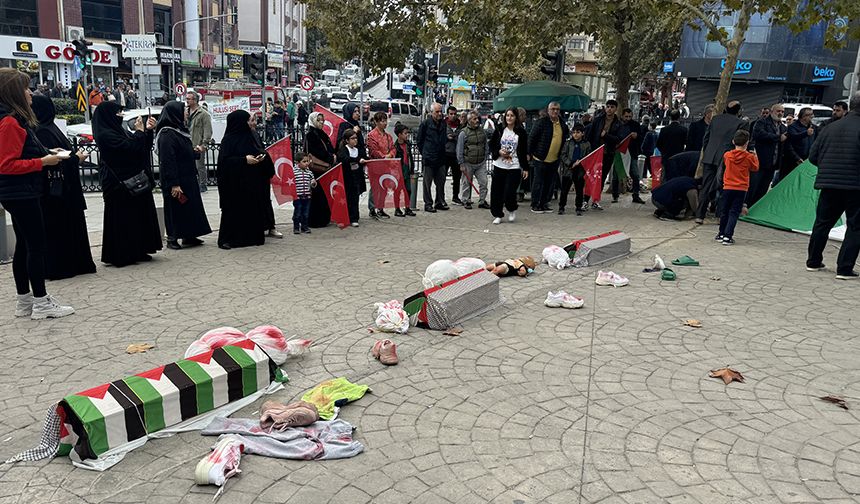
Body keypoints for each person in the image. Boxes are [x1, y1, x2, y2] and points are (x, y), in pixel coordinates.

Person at [0, 69, 75, 319]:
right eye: (25, 88)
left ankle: (25, 301)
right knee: (36, 245)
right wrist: (43, 162)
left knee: (25, 245)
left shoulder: (13, 120)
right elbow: (7, 165)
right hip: (20, 192)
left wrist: (46, 154)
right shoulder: (10, 122)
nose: (30, 92)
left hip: (18, 192)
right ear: (13, 92)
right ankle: (41, 302)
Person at [30, 95, 96, 280]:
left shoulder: (48, 128)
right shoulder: (42, 131)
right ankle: (60, 267)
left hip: (64, 191)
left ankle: (74, 263)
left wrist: (73, 157)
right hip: (55, 193)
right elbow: (52, 162)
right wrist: (76, 158)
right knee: (58, 231)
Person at [93, 100, 163, 267]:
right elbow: (128, 149)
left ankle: (139, 249)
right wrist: (139, 133)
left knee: (137, 217)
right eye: (118, 113)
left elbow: (139, 148)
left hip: (133, 182)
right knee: (122, 219)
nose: (121, 116)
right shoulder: (105, 134)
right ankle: (122, 254)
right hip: (118, 185)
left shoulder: (120, 130)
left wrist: (147, 132)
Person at [805, 92, 860, 280]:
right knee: (855, 226)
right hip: (856, 186)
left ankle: (813, 261)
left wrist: (828, 167)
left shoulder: (830, 128)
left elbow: (813, 156)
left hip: (828, 183)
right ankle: (844, 268)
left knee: (822, 222)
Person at [155, 101, 212, 250]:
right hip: (176, 179)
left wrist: (195, 151)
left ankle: (189, 235)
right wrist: (174, 183)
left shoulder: (179, 130)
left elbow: (183, 152)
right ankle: (172, 237)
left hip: (187, 177)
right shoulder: (167, 134)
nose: (187, 113)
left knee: (189, 206)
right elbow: (168, 160)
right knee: (175, 208)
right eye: (184, 110)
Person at [216, 110, 274, 248]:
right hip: (234, 185)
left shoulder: (250, 136)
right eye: (248, 120)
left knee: (252, 210)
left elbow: (258, 150)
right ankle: (228, 240)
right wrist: (244, 160)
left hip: (251, 183)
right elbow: (224, 163)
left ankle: (252, 237)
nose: (250, 123)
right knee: (233, 212)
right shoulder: (228, 140)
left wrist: (261, 158)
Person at [696, 100, 749, 223]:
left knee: (706, 186)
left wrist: (708, 151)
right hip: (727, 158)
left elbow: (706, 138)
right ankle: (720, 215)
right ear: (739, 111)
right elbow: (741, 143)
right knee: (725, 186)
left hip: (710, 156)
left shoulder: (715, 119)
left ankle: (700, 215)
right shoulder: (741, 123)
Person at [717, 129, 759, 245]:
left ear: (733, 141)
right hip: (741, 188)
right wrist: (755, 155)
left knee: (724, 210)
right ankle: (728, 236)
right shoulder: (749, 157)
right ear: (747, 143)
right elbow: (755, 168)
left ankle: (721, 233)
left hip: (727, 186)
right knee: (734, 212)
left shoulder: (727, 155)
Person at [489, 107, 529, 224]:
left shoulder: (521, 132)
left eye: (512, 115)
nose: (509, 118)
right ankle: (498, 214)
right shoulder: (500, 129)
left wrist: (525, 168)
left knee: (509, 192)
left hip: (514, 166)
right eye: (507, 115)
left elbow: (524, 151)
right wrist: (499, 152)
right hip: (499, 164)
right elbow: (491, 145)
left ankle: (511, 209)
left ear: (516, 117)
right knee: (497, 191)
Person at [528, 101, 569, 213]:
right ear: (548, 110)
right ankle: (535, 204)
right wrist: (529, 153)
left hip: (554, 159)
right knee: (538, 182)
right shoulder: (541, 122)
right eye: (553, 109)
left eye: (557, 109)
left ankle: (544, 203)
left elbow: (565, 139)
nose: (555, 111)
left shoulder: (562, 124)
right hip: (540, 158)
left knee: (549, 183)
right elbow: (532, 138)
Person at [584, 99, 621, 210]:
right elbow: (590, 135)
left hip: (608, 153)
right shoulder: (598, 120)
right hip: (596, 152)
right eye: (608, 106)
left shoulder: (618, 123)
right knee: (591, 176)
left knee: (602, 177)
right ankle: (585, 200)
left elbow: (618, 139)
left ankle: (596, 200)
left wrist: (606, 136)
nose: (609, 109)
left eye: (612, 107)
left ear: (615, 109)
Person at [747, 103, 786, 206]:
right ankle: (747, 205)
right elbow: (758, 134)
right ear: (772, 111)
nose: (780, 113)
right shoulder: (762, 122)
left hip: (773, 163)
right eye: (778, 111)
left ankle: (756, 206)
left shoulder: (782, 127)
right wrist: (777, 137)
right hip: (761, 161)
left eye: (782, 112)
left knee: (764, 187)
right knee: (754, 186)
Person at [305, 111, 335, 227]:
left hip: (326, 169)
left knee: (324, 195)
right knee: (316, 196)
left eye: (322, 120)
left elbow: (329, 147)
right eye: (318, 120)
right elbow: (315, 151)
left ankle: (325, 218)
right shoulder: (311, 135)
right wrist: (329, 156)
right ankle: (315, 220)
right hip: (316, 171)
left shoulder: (322, 133)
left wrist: (332, 155)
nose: (321, 122)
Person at [417, 102, 448, 212]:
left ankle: (439, 201)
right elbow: (419, 141)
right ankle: (428, 203)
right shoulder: (425, 124)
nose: (440, 114)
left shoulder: (443, 124)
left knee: (441, 182)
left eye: (441, 111)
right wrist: (425, 153)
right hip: (429, 158)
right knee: (427, 183)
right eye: (437, 112)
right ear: (431, 113)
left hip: (441, 157)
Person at [456, 109, 490, 210]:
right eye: (474, 119)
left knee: (484, 182)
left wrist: (485, 157)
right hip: (468, 163)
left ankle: (482, 201)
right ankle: (465, 200)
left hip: (480, 163)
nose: (477, 121)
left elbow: (486, 145)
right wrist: (461, 163)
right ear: (469, 120)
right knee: (466, 183)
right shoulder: (463, 133)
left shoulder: (482, 132)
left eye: (477, 118)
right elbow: (459, 149)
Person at [365, 111, 395, 217]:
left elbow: (392, 148)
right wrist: (383, 156)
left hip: (386, 165)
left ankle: (381, 208)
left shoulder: (388, 136)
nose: (385, 123)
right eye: (382, 121)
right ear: (377, 122)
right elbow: (373, 150)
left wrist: (390, 155)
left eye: (385, 120)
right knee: (375, 187)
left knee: (384, 187)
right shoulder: (371, 135)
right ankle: (372, 208)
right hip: (375, 165)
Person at [558, 123, 591, 216]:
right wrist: (570, 163)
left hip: (580, 170)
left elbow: (588, 156)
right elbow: (563, 155)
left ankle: (578, 207)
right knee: (564, 190)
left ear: (583, 133)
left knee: (579, 190)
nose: (575, 134)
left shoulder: (586, 144)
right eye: (574, 132)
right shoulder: (568, 143)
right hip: (568, 170)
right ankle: (561, 207)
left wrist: (581, 162)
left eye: (578, 132)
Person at [338, 129, 368, 227]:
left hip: (357, 178)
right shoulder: (344, 149)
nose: (355, 140)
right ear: (347, 140)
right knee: (346, 198)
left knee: (355, 198)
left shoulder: (358, 150)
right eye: (352, 138)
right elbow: (345, 160)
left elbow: (365, 158)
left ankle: (354, 218)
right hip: (347, 178)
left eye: (356, 138)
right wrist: (358, 160)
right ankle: (345, 217)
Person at [186, 91, 213, 193]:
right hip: (187, 144)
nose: (187, 101)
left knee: (199, 166)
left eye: (189, 99)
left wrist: (204, 144)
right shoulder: (185, 112)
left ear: (195, 100)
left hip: (197, 144)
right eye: (186, 99)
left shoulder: (203, 114)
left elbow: (208, 130)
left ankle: (203, 184)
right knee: (188, 166)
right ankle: (192, 183)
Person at [618, 108, 645, 204]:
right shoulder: (618, 125)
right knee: (618, 174)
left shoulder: (635, 125)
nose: (628, 118)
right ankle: (615, 194)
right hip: (621, 153)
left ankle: (636, 194)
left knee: (636, 175)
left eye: (630, 116)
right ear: (622, 116)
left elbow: (641, 138)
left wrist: (637, 136)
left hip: (632, 153)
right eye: (626, 116)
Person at [785, 107, 818, 181]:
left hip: (807, 161)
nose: (813, 117)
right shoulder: (793, 127)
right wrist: (796, 158)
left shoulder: (814, 127)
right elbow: (791, 141)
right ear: (804, 116)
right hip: (793, 161)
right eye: (810, 115)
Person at [393, 123, 416, 216]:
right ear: (399, 135)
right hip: (399, 170)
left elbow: (410, 157)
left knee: (408, 190)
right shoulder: (395, 147)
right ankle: (397, 209)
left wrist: (412, 168)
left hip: (407, 169)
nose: (407, 135)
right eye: (405, 133)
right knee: (397, 191)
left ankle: (407, 207)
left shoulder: (408, 145)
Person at [291, 151, 316, 234]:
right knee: (297, 213)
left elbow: (313, 183)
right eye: (304, 161)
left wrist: (313, 183)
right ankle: (296, 227)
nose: (306, 163)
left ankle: (304, 227)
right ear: (298, 162)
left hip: (307, 196)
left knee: (305, 213)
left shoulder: (309, 172)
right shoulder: (293, 172)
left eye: (307, 161)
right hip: (297, 197)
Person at [444, 106, 463, 205]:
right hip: (446, 154)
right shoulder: (443, 124)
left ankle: (455, 197)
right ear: (447, 114)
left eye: (454, 114)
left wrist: (454, 137)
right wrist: (446, 138)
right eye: (451, 114)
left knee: (457, 177)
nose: (453, 116)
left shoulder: (460, 125)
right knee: (442, 177)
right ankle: (441, 198)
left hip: (456, 154)